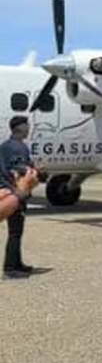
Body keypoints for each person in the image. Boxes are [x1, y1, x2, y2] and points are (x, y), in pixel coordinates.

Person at [1, 116, 36, 277]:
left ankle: (17, 263)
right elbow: (18, 169)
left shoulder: (5, 146)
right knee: (15, 232)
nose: (29, 129)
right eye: (27, 126)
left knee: (15, 230)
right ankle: (10, 268)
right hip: (16, 192)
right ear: (20, 127)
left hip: (6, 191)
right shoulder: (18, 147)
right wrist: (35, 172)